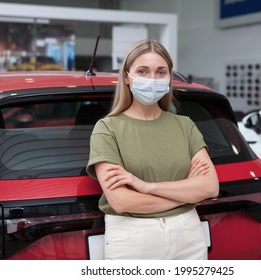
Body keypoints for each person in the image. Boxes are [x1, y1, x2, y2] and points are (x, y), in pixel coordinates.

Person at [86, 39, 219, 260]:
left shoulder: (185, 125)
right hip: (132, 240)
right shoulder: (107, 129)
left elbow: (210, 187)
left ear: (169, 78)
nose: (152, 79)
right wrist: (187, 194)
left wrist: (147, 186)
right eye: (143, 71)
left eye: (160, 72)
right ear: (127, 77)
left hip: (188, 236)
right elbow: (122, 201)